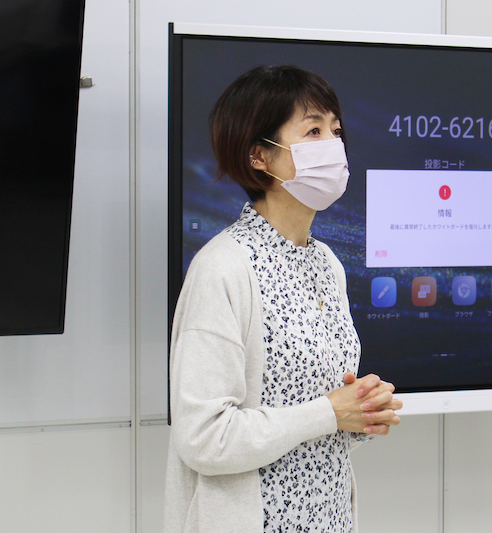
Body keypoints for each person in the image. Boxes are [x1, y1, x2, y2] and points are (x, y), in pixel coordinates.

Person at [165, 65, 403, 533]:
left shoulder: (327, 263)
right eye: (313, 131)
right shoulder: (223, 268)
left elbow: (313, 421)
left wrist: (359, 411)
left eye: (336, 130)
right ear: (259, 156)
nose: (333, 145)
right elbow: (204, 438)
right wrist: (329, 412)